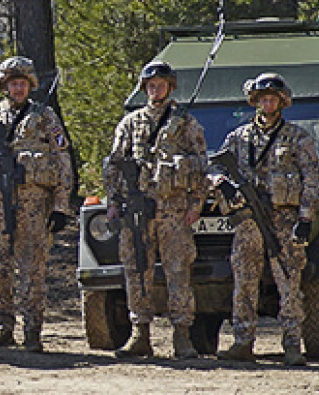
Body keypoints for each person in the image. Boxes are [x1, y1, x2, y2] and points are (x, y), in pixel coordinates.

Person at [0, 56, 72, 352]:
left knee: (32, 268)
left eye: (22, 83)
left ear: (30, 85)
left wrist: (61, 206)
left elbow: (62, 161)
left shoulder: (44, 116)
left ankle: (32, 331)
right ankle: (2, 327)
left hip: (34, 206)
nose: (18, 88)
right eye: (13, 83)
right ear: (4, 86)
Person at [211, 72, 319, 366]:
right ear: (255, 102)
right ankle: (243, 341)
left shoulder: (298, 137)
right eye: (263, 99)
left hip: (284, 220)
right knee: (244, 281)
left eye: (272, 98)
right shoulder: (239, 137)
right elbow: (213, 167)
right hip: (248, 221)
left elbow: (312, 180)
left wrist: (306, 218)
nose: (267, 103)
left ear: (282, 102)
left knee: (289, 281)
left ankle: (292, 344)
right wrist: (221, 182)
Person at [102, 61, 207, 359]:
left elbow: (202, 167)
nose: (154, 89)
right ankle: (140, 333)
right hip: (137, 209)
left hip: (173, 211)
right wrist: (113, 202)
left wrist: (195, 206)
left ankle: (182, 335)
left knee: (178, 271)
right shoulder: (130, 123)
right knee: (136, 269)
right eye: (150, 85)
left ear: (170, 87)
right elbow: (113, 166)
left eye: (160, 84)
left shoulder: (186, 123)